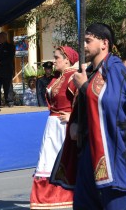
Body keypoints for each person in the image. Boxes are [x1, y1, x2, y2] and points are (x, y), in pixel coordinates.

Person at [53, 23, 126, 210]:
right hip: (88, 152)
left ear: (104, 43)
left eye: (88, 41)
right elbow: (85, 106)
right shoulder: (88, 72)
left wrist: (83, 87)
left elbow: (113, 103)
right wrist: (75, 123)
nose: (84, 46)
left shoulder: (115, 69)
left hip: (114, 152)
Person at [29, 46, 78, 210]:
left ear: (67, 59)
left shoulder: (73, 78)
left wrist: (73, 116)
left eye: (57, 57)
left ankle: (64, 195)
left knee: (63, 160)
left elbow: (83, 101)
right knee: (47, 159)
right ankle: (48, 197)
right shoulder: (57, 77)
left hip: (64, 126)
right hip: (52, 125)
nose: (54, 60)